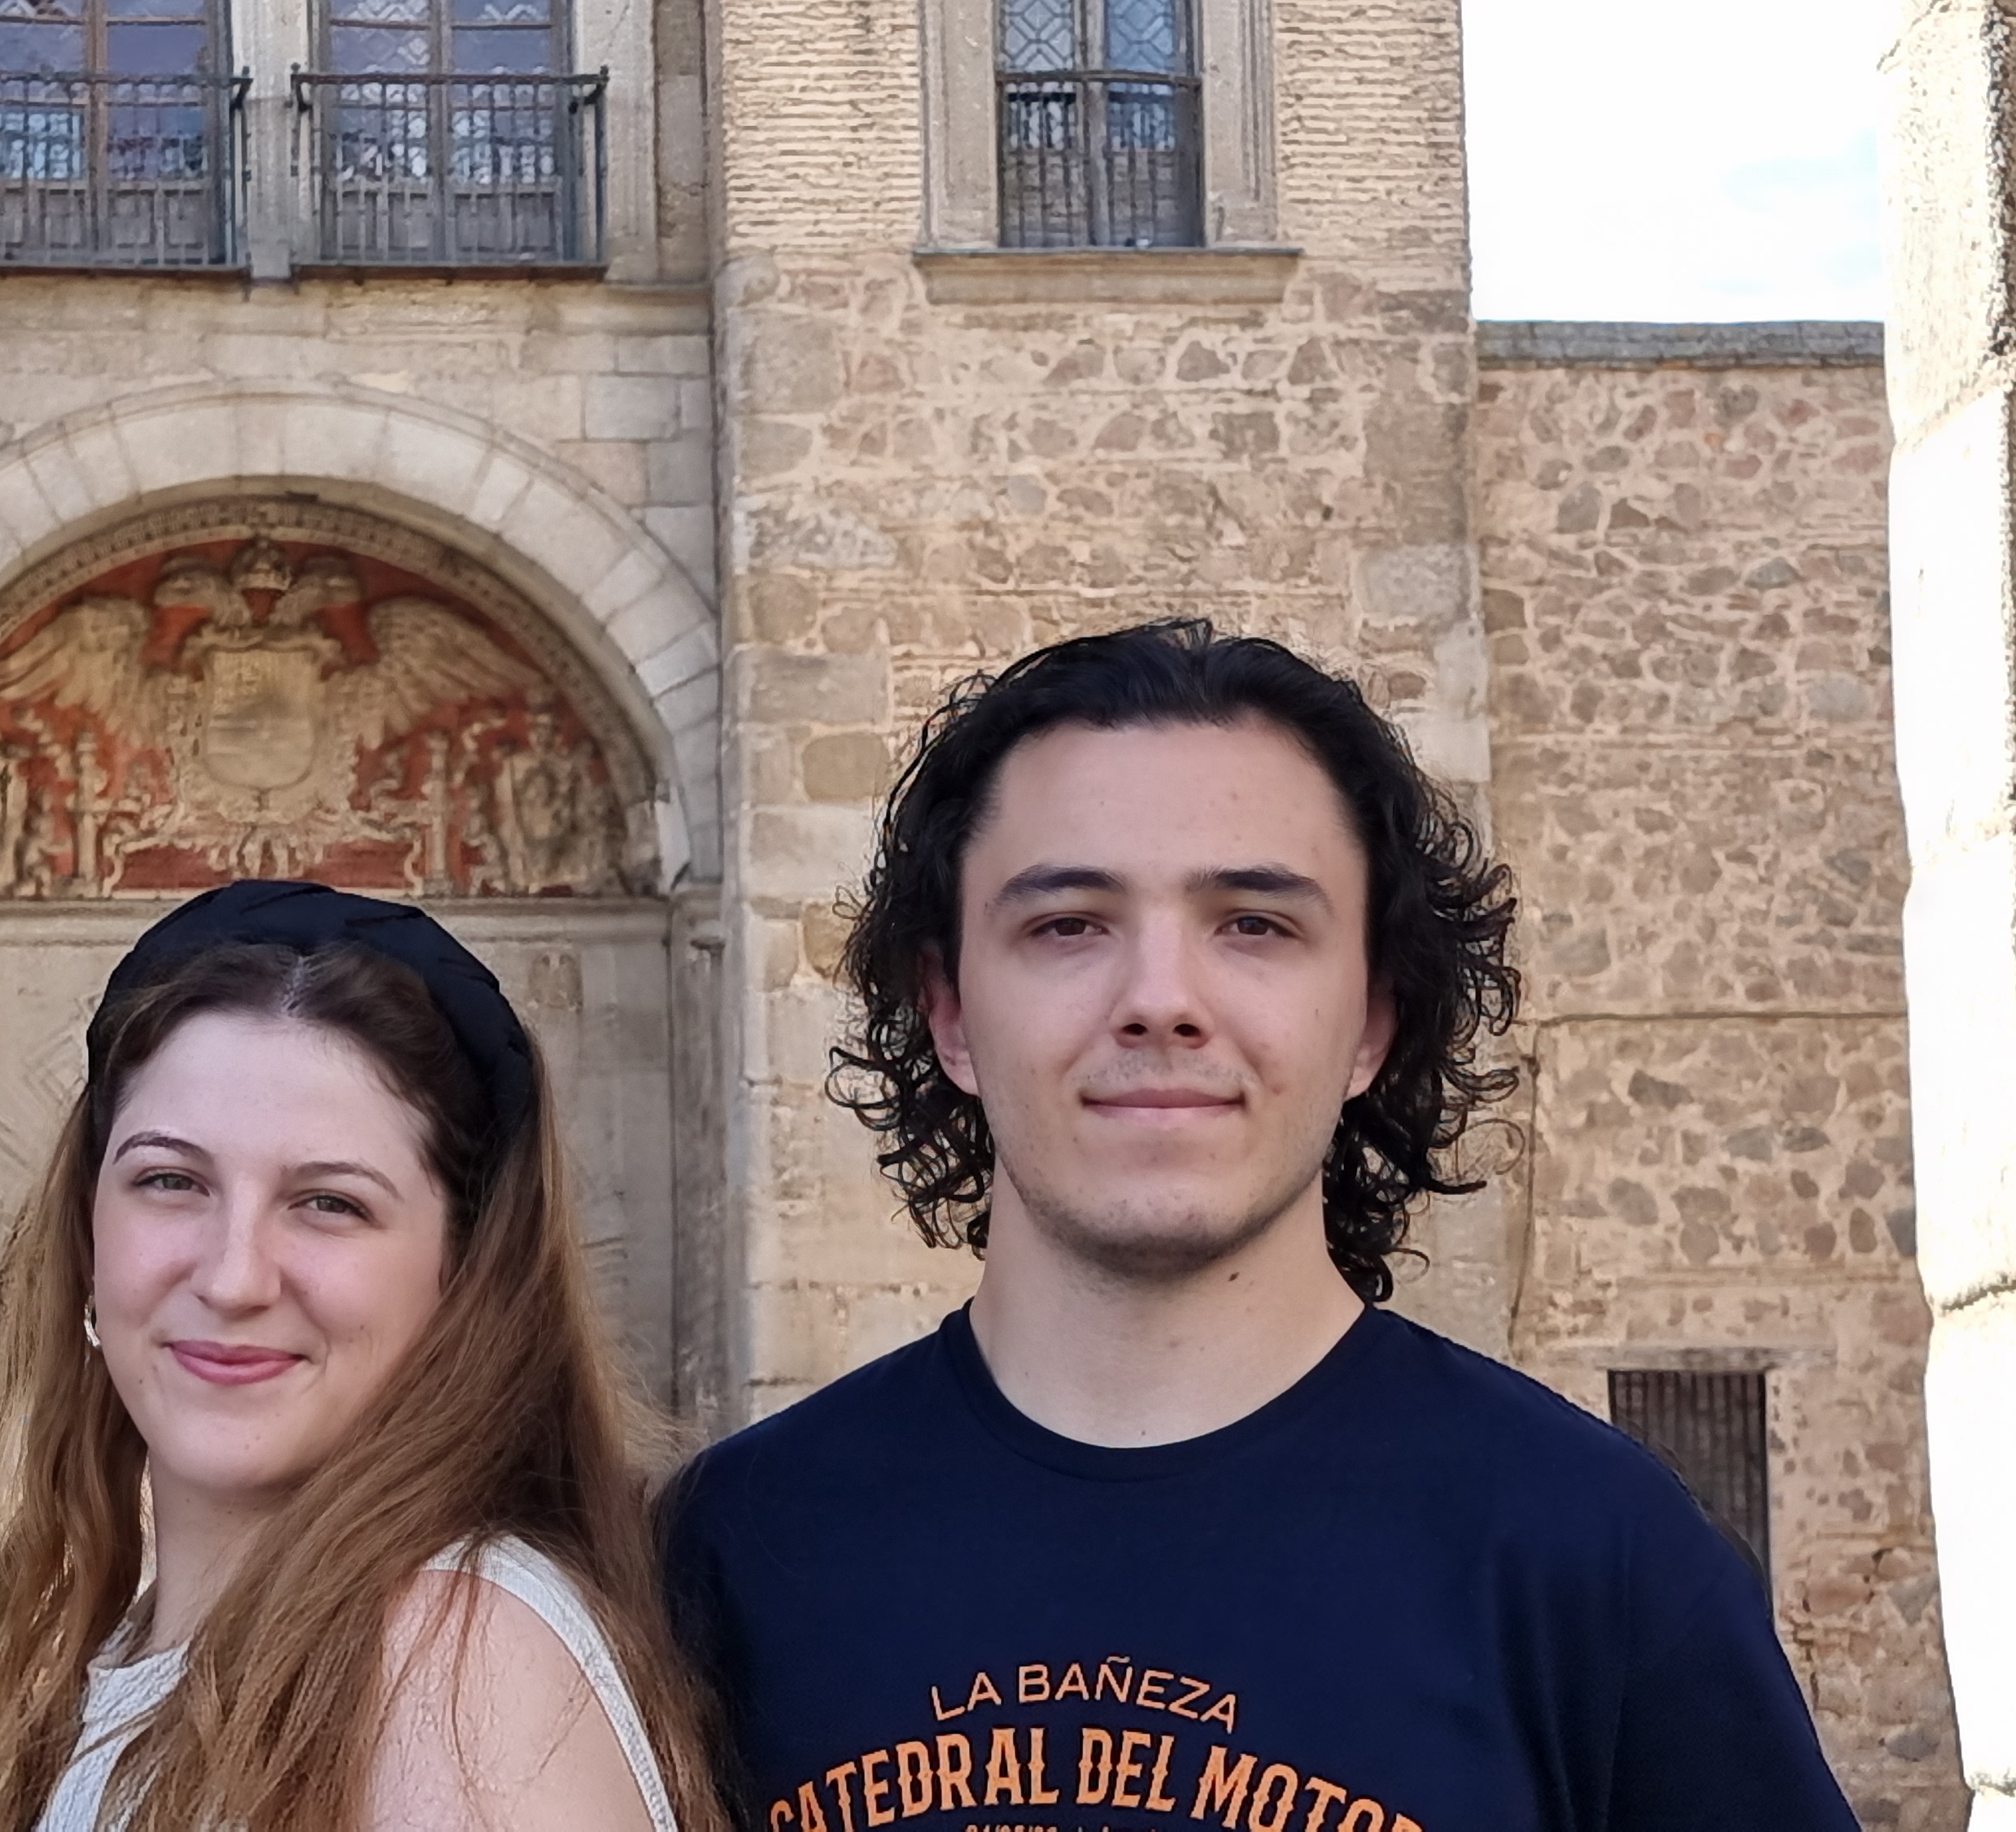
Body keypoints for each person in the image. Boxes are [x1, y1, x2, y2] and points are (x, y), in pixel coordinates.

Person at [665, 621, 1859, 1830]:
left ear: (1374, 1022)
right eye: (1069, 924)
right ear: (952, 1014)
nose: (1162, 1001)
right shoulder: (728, 1558)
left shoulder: (1596, 1563)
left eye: (1255, 925)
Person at [0, 879, 718, 1832]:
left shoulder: (453, 1666)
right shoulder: (107, 1657)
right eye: (170, 1179)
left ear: (464, 1273)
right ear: (86, 1233)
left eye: (329, 1202)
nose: (233, 1277)